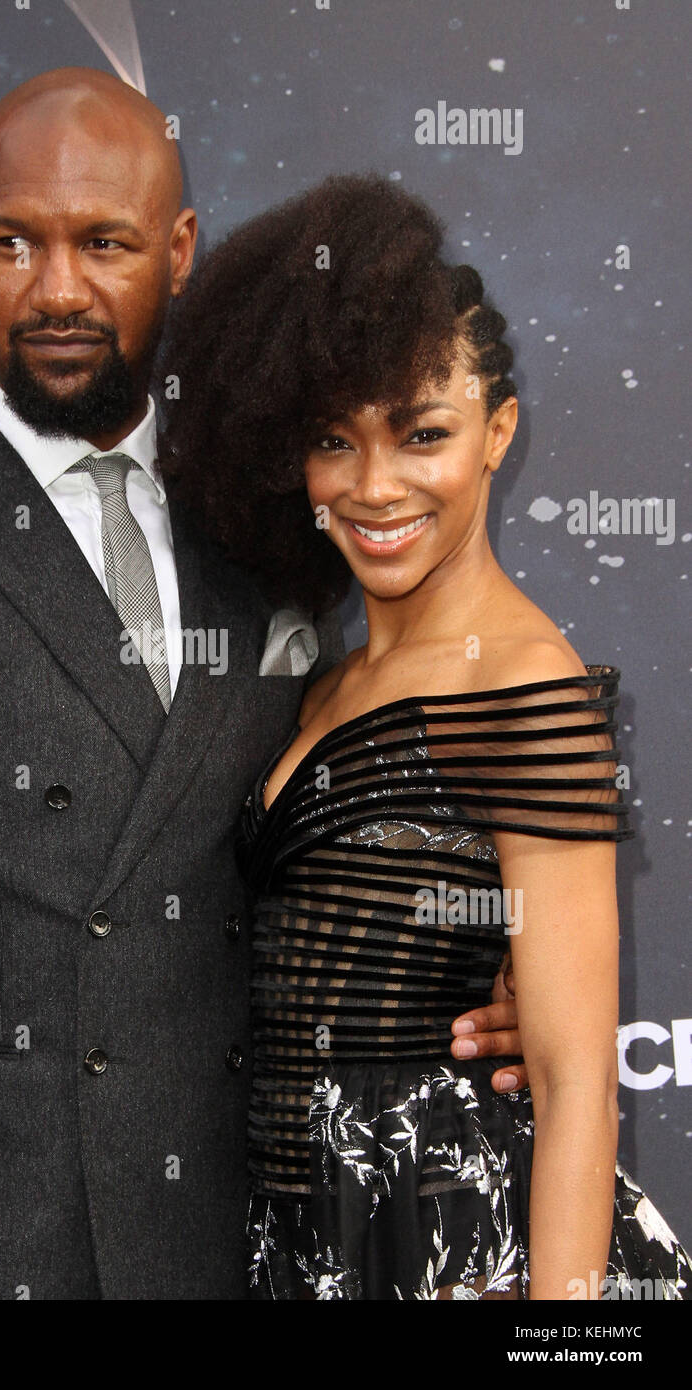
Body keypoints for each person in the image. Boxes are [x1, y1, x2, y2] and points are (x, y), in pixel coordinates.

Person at [0, 73, 524, 1301]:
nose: (57, 290)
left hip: (250, 1246)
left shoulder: (277, 534)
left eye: (104, 243)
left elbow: (337, 844)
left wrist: (482, 981)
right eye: (13, 244)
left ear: (179, 250)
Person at [158, 173, 692, 1300]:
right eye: (334, 440)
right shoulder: (325, 679)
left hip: (456, 1242)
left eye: (422, 434)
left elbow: (574, 1083)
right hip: (309, 1235)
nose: (375, 486)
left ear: (497, 434)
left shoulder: (524, 685)